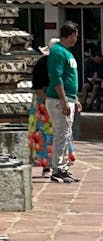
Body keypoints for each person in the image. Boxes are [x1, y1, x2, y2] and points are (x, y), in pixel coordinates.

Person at [46, 21, 81, 182]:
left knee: (66, 134)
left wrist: (75, 99)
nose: (77, 38)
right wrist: (64, 100)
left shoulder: (66, 53)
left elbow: (69, 78)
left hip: (69, 99)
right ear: (71, 34)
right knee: (61, 134)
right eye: (76, 34)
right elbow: (56, 77)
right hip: (59, 100)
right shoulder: (58, 52)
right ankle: (57, 168)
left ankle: (63, 167)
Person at [28, 47, 52, 176]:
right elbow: (38, 87)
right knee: (45, 134)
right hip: (45, 102)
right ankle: (47, 166)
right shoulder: (43, 65)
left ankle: (51, 165)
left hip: (46, 101)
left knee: (47, 134)